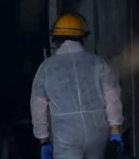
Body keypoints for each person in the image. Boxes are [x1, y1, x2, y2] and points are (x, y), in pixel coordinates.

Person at [31, 13, 125, 159]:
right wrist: (115, 132)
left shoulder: (46, 68)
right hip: (97, 135)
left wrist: (43, 140)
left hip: (65, 137)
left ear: (56, 40)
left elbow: (38, 107)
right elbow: (112, 97)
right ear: (82, 37)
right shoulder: (97, 63)